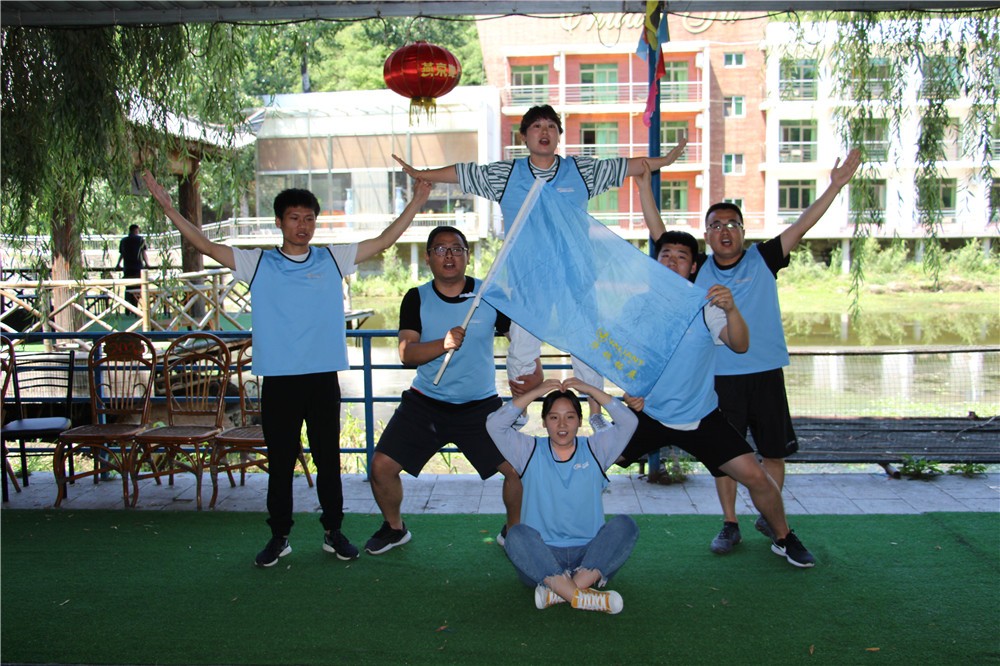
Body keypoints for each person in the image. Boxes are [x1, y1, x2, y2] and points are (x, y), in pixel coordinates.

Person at [142, 170, 432, 568]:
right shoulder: (258, 262)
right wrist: (168, 207)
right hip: (279, 381)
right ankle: (279, 537)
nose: (303, 225)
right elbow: (205, 245)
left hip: (322, 378)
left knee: (328, 460)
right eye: (294, 218)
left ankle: (334, 532)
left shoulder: (332, 258)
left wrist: (416, 202)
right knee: (280, 463)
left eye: (309, 218)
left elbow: (384, 240)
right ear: (279, 222)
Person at [392, 104, 687, 431]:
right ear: (524, 136)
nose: (544, 132)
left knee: (588, 347)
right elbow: (463, 174)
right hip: (527, 282)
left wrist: (665, 160)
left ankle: (596, 414)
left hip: (577, 280)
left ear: (559, 135)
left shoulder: (580, 171)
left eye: (551, 127)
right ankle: (520, 411)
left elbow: (632, 166)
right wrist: (422, 173)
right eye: (536, 127)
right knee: (521, 350)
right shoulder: (506, 175)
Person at [614, 163, 816, 567]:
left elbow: (740, 344)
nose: (672, 261)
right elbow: (618, 355)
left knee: (757, 474)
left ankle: (783, 535)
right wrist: (627, 390)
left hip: (702, 416)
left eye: (680, 258)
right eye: (665, 256)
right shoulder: (638, 306)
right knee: (585, 463)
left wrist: (732, 308)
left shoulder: (706, 304)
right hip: (649, 413)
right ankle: (553, 530)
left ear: (694, 267)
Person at [691, 150, 861, 555]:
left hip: (766, 373)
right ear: (707, 235)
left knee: (772, 452)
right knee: (724, 456)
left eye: (732, 224)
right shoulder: (697, 269)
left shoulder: (764, 258)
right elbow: (663, 242)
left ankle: (770, 517)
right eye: (716, 225)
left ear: (743, 231)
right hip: (719, 378)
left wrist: (835, 186)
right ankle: (730, 523)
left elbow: (803, 223)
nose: (725, 231)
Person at [364, 225, 537, 555]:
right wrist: (442, 344)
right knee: (381, 467)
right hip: (425, 403)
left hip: (480, 406)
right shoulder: (416, 297)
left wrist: (531, 374)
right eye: (441, 249)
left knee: (519, 468)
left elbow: (522, 341)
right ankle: (394, 528)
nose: (449, 256)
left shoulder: (488, 295)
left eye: (457, 249)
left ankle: (514, 531)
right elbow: (406, 354)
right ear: (428, 257)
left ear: (467, 256)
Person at [486, 377, 639, 614]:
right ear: (544, 422)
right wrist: (535, 391)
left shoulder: (596, 449)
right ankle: (579, 595)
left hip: (590, 559)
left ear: (580, 421)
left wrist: (589, 389)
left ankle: (560, 592)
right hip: (541, 561)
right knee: (515, 535)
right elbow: (495, 425)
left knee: (625, 525)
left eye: (570, 416)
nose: (562, 424)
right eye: (554, 417)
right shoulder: (528, 450)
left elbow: (629, 421)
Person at [116, 224, 149, 307]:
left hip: (127, 268)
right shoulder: (140, 239)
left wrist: (118, 264)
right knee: (138, 288)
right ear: (136, 231)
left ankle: (128, 307)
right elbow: (143, 253)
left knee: (129, 288)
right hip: (138, 268)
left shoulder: (123, 241)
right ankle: (136, 307)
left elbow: (122, 254)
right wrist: (147, 263)